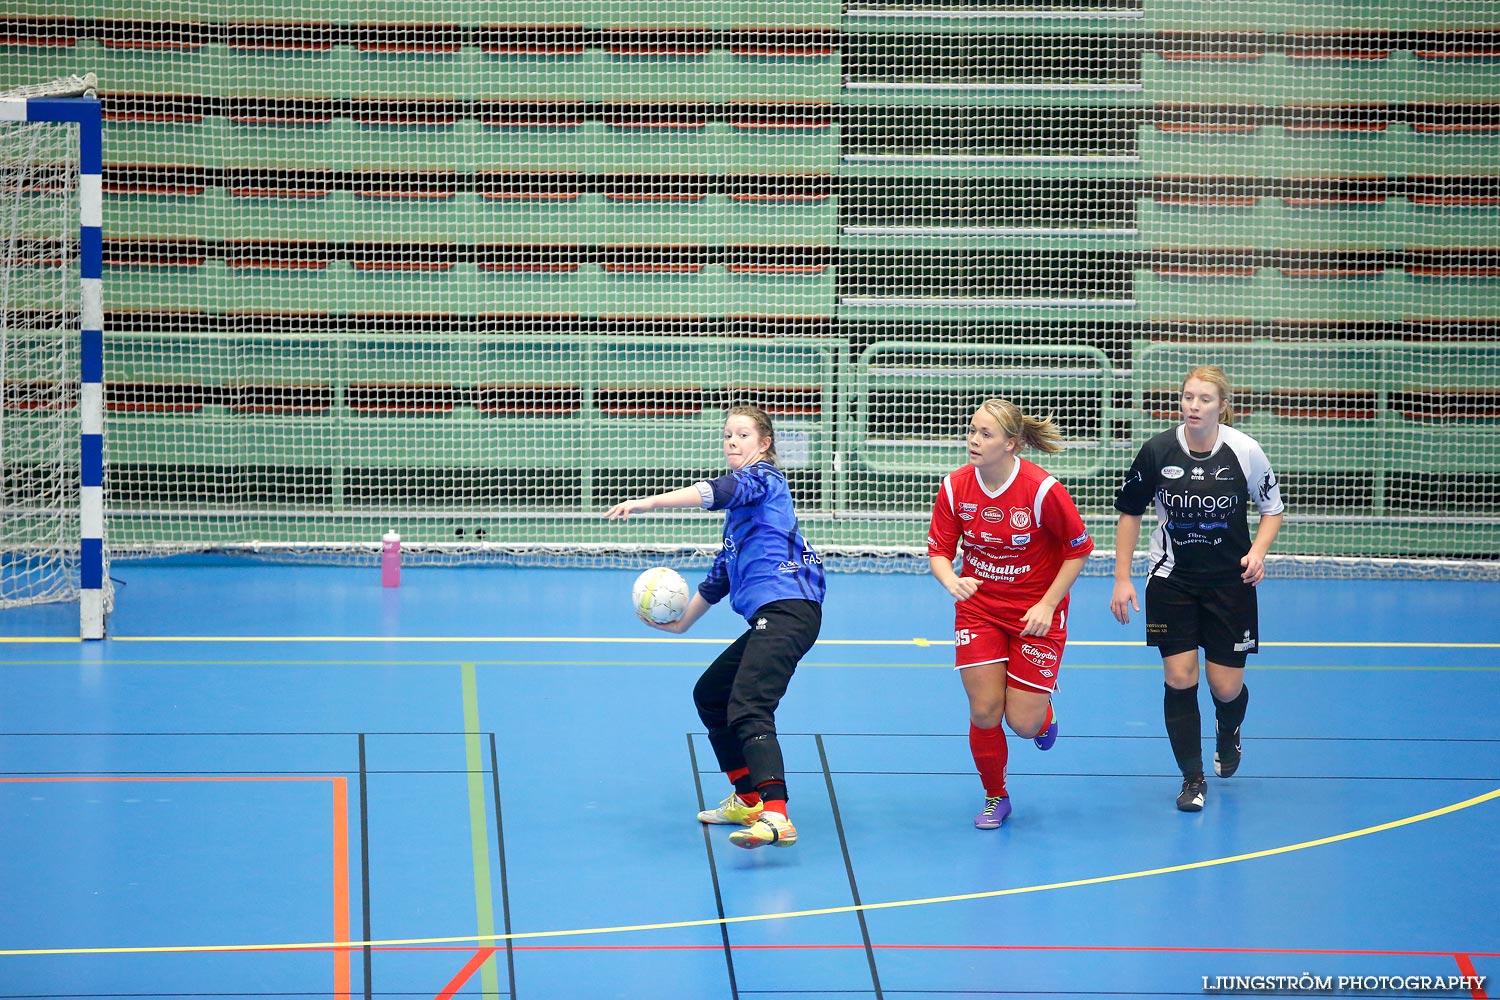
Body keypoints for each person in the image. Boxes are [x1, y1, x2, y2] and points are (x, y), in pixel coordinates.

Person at [605, 404, 825, 850]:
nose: (732, 442)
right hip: (774, 614)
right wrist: (681, 624)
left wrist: (650, 503)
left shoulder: (765, 479)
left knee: (748, 705)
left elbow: (715, 490)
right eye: (727, 435)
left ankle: (777, 816)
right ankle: (747, 799)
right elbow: (719, 577)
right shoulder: (740, 522)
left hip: (789, 608)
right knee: (710, 695)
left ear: (764, 444)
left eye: (742, 435)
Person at [1110, 365, 1284, 813]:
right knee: (1179, 677)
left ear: (1222, 406)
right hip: (1173, 580)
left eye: (1204, 399)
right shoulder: (1157, 450)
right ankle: (1192, 779)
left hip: (1231, 582)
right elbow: (1130, 513)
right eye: (1188, 397)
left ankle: (1229, 730)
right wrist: (1123, 578)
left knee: (1225, 687)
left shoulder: (1245, 451)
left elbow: (1272, 509)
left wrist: (1259, 552)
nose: (1193, 405)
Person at [927, 399, 1094, 831]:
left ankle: (1043, 716)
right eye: (971, 430)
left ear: (1011, 443)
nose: (974, 440)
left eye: (985, 434)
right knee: (984, 711)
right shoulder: (954, 487)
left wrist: (1047, 603)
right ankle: (995, 795)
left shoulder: (1042, 490)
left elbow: (1079, 550)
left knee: (1022, 723)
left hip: (1035, 614)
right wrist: (951, 581)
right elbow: (940, 552)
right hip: (979, 609)